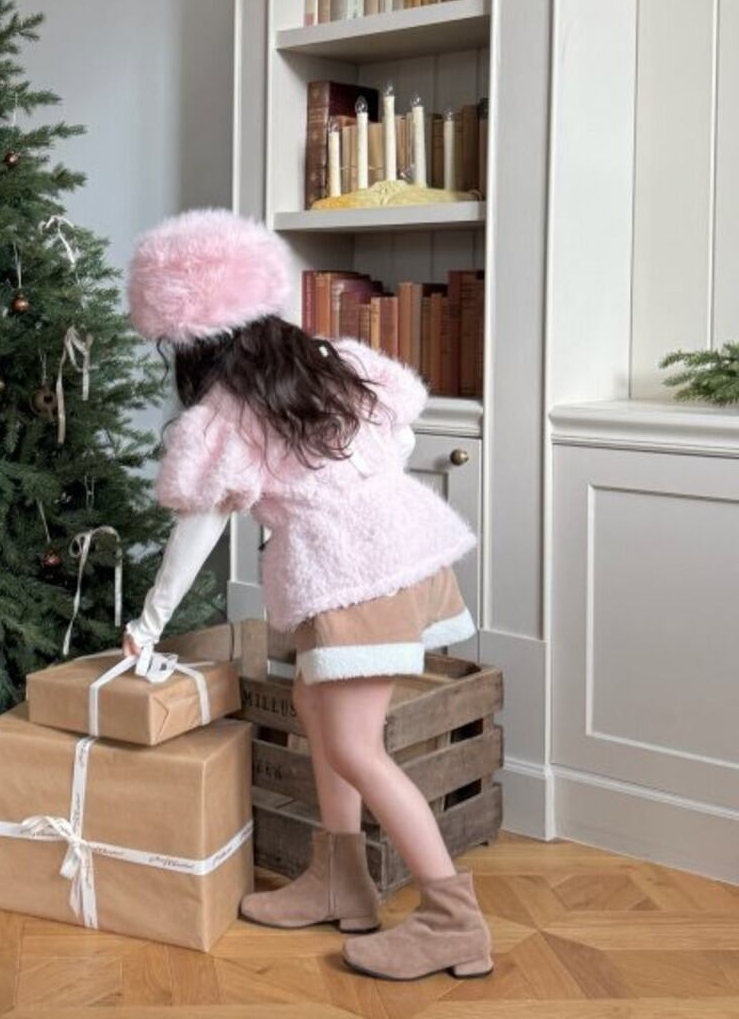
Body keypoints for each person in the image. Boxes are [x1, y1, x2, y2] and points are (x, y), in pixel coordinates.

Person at [122, 208, 493, 982]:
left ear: (192, 340)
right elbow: (399, 432)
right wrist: (349, 495)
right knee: (319, 712)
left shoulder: (225, 417)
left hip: (355, 577)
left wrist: (149, 625)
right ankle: (341, 880)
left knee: (356, 746)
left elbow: (197, 531)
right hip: (391, 559)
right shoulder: (332, 365)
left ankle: (453, 921)